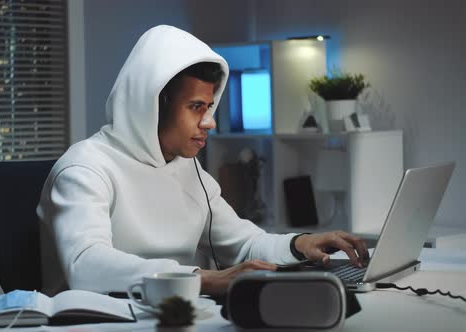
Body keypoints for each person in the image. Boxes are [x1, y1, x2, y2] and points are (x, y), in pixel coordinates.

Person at [37, 25, 368, 297]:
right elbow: (85, 265)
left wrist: (299, 243)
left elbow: (242, 242)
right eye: (197, 107)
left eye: (210, 107)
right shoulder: (85, 168)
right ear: (154, 104)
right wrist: (202, 278)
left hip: (172, 316)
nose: (210, 122)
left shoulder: (186, 167)